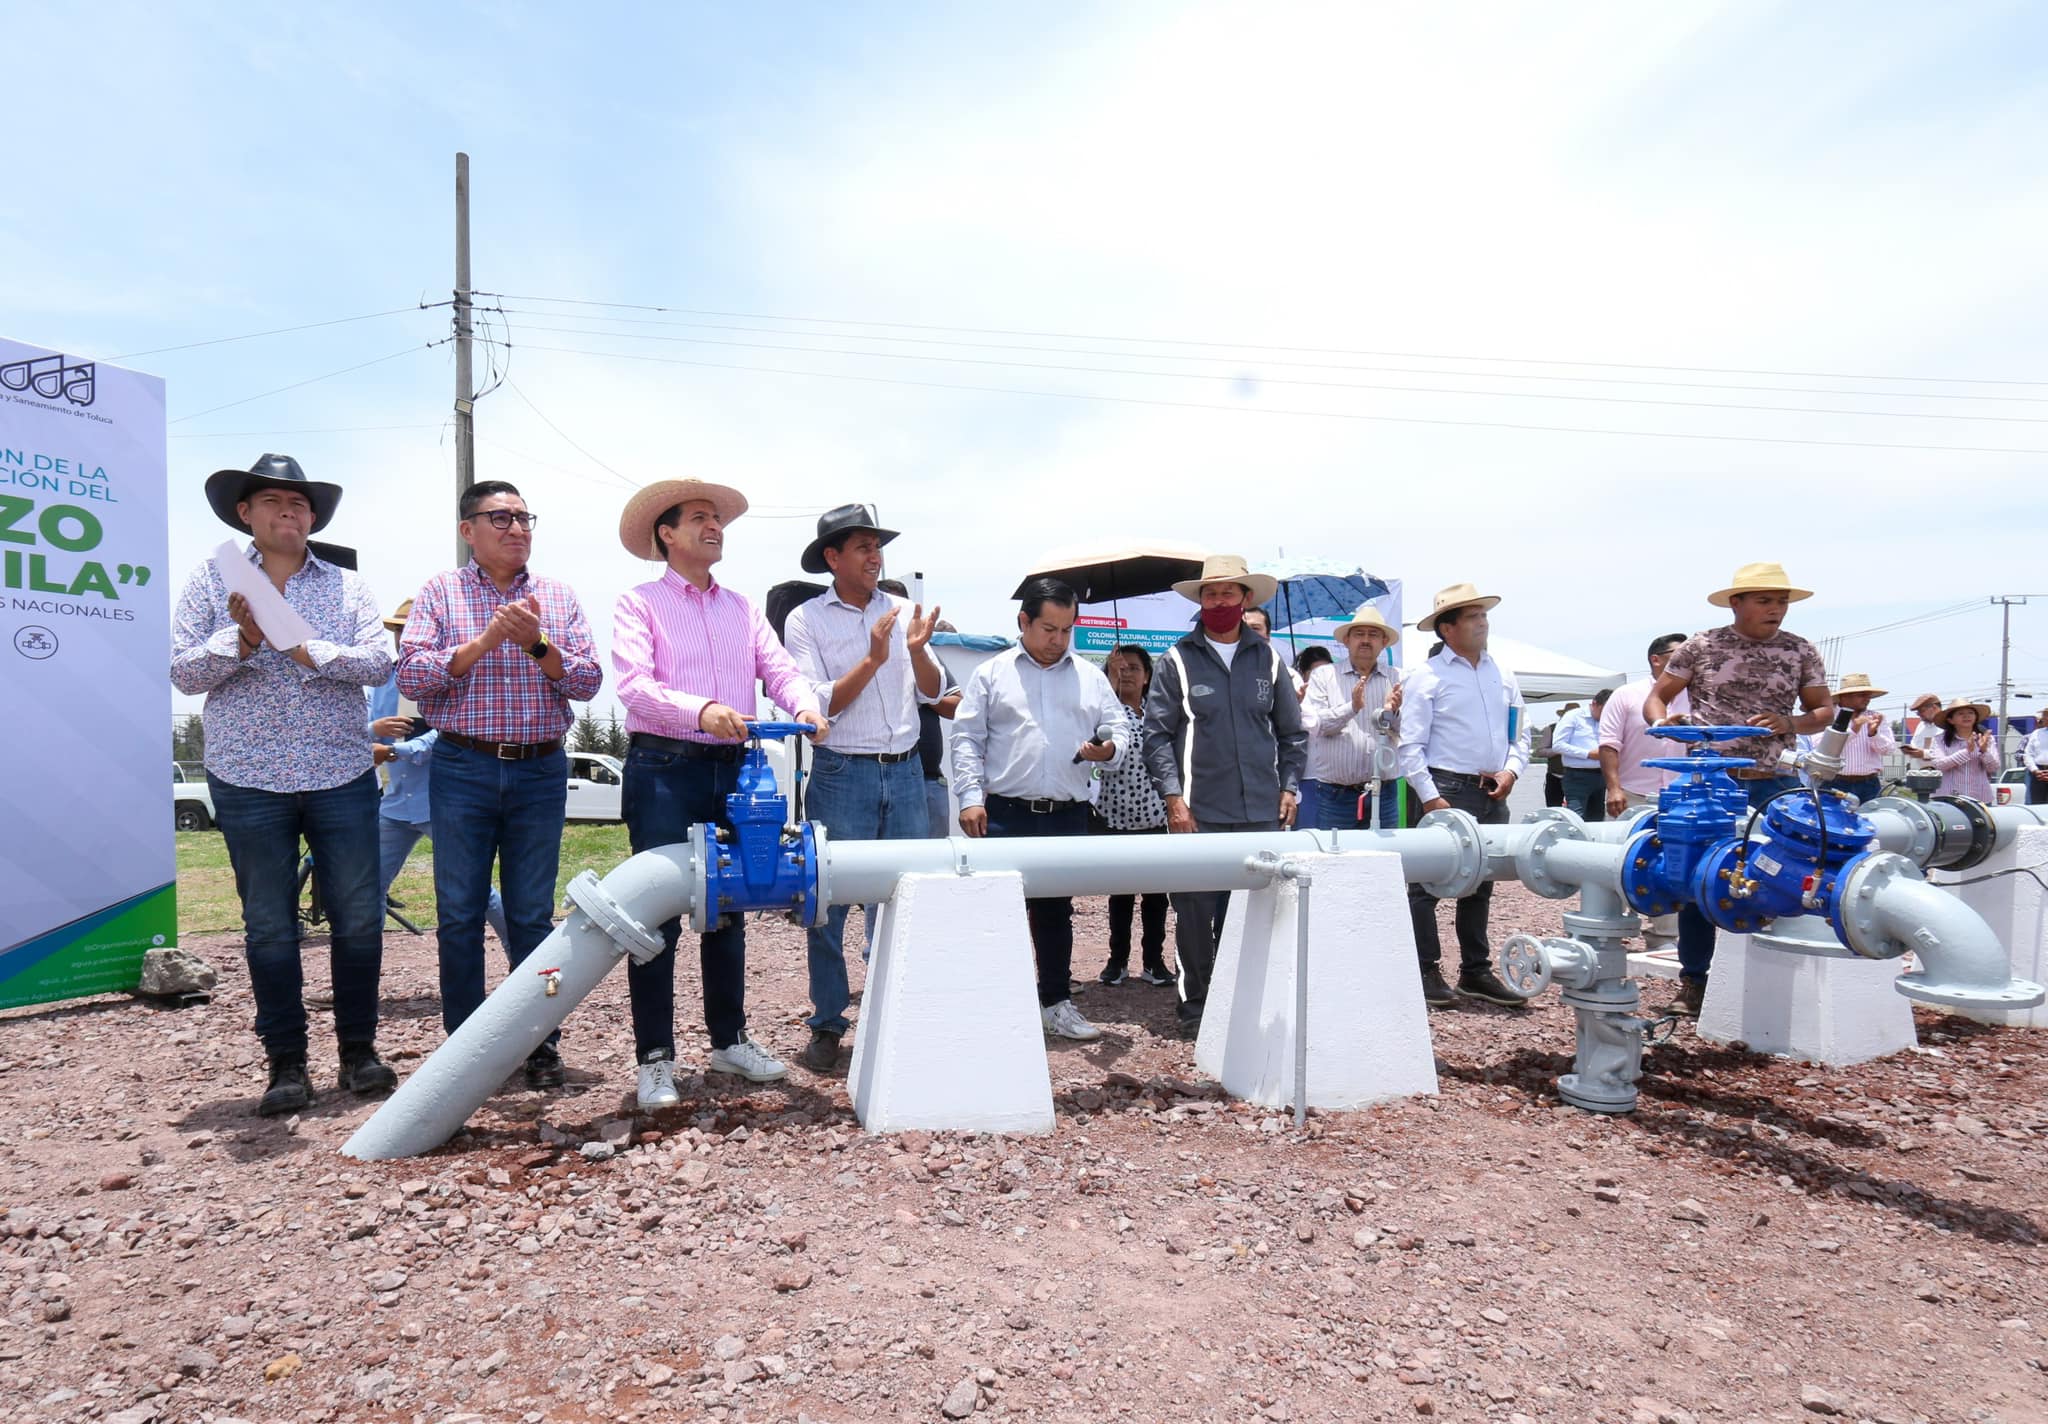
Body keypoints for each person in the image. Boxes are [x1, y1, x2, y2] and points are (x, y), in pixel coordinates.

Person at [170, 454, 398, 1116]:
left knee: (357, 916)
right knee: (269, 924)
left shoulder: (347, 588)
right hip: (247, 776)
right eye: (273, 501)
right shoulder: (209, 583)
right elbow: (182, 673)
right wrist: (239, 642)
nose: (289, 513)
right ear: (245, 512)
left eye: (300, 504)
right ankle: (286, 1065)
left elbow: (378, 659)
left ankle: (359, 1051)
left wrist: (308, 650)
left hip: (341, 771)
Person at [612, 481, 831, 1107]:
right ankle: (655, 1058)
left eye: (717, 519)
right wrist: (702, 709)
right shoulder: (640, 603)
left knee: (731, 900)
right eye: (700, 518)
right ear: (667, 534)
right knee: (654, 914)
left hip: (738, 766)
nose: (714, 527)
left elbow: (779, 668)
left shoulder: (741, 608)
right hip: (663, 766)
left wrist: (805, 703)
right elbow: (633, 686)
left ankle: (728, 1041)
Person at [397, 480, 603, 1089]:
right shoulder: (440, 591)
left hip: (540, 768)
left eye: (524, 517)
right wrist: (486, 641)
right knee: (459, 912)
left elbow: (588, 681)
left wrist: (536, 643)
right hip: (464, 766)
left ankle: (536, 1041)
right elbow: (413, 673)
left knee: (532, 916)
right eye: (501, 518)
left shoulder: (557, 597)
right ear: (469, 530)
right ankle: (466, 1050)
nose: (517, 528)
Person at [782, 504, 943, 1074]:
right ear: (832, 557)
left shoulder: (901, 610)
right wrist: (875, 658)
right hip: (841, 770)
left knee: (904, 895)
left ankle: (896, 1010)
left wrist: (918, 650)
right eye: (862, 547)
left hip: (904, 770)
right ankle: (828, 1023)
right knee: (828, 903)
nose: (875, 557)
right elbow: (820, 703)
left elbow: (932, 692)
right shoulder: (805, 621)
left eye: (879, 547)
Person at [1644, 561, 1834, 1018]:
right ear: (1737, 604)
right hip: (1711, 782)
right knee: (1696, 875)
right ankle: (1694, 979)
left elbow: (1824, 711)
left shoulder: (1800, 650)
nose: (1776, 610)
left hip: (1775, 779)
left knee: (1789, 871)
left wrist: (1790, 722)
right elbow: (1659, 696)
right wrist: (1659, 721)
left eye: (1782, 601)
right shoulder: (1701, 646)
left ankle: (1779, 980)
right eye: (1765, 600)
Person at [951, 578, 1128, 1040]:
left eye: (1067, 630)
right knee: (997, 909)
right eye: (1049, 629)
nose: (1058, 640)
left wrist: (1107, 751)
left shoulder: (1090, 677)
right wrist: (970, 798)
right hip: (1006, 811)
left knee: (1055, 911)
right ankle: (997, 1003)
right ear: (1023, 622)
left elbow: (1118, 729)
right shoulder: (991, 674)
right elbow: (967, 739)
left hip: (1068, 813)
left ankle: (1055, 1002)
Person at [1142, 554, 1306, 1034]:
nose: (1218, 601)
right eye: (1210, 594)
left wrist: (1290, 788)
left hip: (1260, 812)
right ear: (1200, 601)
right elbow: (1156, 736)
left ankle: (1248, 1004)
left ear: (1245, 599)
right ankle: (1197, 1009)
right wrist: (1174, 798)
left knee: (1256, 912)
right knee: (1194, 914)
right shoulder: (1176, 661)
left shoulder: (1270, 660)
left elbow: (1293, 735)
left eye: (1228, 593)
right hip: (1197, 814)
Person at [1396, 583, 1531, 1008]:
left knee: (1482, 882)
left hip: (1492, 789)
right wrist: (1432, 797)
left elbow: (1520, 732)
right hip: (1447, 788)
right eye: (1472, 616)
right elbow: (1410, 745)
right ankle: (1422, 967)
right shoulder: (1427, 677)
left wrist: (1511, 772)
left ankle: (1475, 970)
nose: (1482, 622)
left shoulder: (1502, 673)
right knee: (1427, 884)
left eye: (1483, 615)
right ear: (1447, 629)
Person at [368, 598, 509, 949]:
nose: (404, 636)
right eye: (400, 630)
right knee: (367, 888)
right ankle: (359, 978)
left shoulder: (452, 674)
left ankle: (524, 958)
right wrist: (374, 730)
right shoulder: (383, 679)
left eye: (410, 629)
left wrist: (395, 750)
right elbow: (362, 729)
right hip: (397, 803)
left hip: (441, 800)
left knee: (474, 887)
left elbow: (446, 732)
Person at [1597, 633, 1689, 953]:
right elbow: (1609, 743)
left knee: (1675, 864)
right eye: (1681, 654)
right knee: (1617, 861)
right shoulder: (1625, 695)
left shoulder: (1695, 697)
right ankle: (1608, 928)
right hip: (1632, 794)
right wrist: (1613, 787)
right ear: (1657, 659)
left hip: (1680, 795)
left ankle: (1664, 937)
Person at [1092, 644, 1173, 987]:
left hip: (1155, 820)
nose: (1127, 674)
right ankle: (1117, 961)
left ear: (1147, 677)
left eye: (1133, 669)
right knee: (1120, 896)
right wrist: (1109, 681)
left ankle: (1154, 962)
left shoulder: (1159, 716)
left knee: (1156, 898)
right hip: (1116, 820)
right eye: (1120, 668)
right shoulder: (1105, 716)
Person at [1298, 604, 1402, 831]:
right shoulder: (1324, 676)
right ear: (1346, 640)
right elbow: (1318, 725)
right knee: (1336, 861)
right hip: (1336, 795)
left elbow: (1408, 731)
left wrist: (1391, 713)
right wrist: (1352, 707)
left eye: (1373, 634)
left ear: (1384, 642)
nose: (1366, 640)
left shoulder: (1396, 678)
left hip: (1383, 792)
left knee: (1384, 861)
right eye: (1359, 634)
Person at [880, 578, 963, 837]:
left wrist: (926, 692)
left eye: (900, 608)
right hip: (875, 783)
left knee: (932, 869)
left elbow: (958, 706)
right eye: (885, 607)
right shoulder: (866, 653)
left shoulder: (923, 653)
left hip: (928, 781)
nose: (894, 615)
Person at [1828, 673, 1896, 803]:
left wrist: (1873, 734)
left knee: (1870, 821)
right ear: (1844, 697)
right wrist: (1853, 730)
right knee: (1836, 822)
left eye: (1868, 695)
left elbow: (1888, 750)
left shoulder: (1875, 718)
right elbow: (1822, 747)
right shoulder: (1829, 717)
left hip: (1869, 784)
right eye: (1861, 695)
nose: (1867, 699)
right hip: (1836, 782)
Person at [1551, 689, 1611, 822]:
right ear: (1594, 703)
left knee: (1597, 820)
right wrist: (1588, 754)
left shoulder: (1609, 719)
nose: (1607, 715)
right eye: (1604, 710)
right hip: (1577, 776)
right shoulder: (1573, 716)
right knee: (1575, 819)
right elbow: (1558, 744)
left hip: (1602, 775)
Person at [1927, 698, 2001, 800]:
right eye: (1960, 713)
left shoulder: (1986, 739)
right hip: (1948, 798)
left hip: (1979, 798)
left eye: (1970, 713)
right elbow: (1939, 765)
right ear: (1950, 720)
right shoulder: (1939, 740)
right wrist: (1967, 752)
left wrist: (1984, 751)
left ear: (1975, 717)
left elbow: (1994, 767)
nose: (1967, 716)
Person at [1900, 692, 1947, 764]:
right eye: (1918, 713)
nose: (1920, 715)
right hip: (1922, 772)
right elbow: (1915, 744)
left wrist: (1924, 754)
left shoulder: (1948, 725)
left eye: (1922, 711)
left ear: (1934, 708)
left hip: (1943, 773)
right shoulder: (1921, 725)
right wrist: (1910, 750)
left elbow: (1951, 752)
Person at [2024, 716, 2048, 805]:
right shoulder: (2036, 733)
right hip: (2038, 774)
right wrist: (2035, 770)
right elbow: (2028, 754)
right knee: (2037, 806)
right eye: (2045, 715)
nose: (2045, 718)